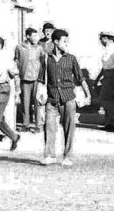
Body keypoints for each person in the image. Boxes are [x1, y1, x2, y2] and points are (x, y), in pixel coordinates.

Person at [36, 30, 89, 165]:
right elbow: (41, 78)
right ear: (56, 42)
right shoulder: (46, 58)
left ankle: (67, 156)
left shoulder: (71, 59)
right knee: (49, 127)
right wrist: (38, 93)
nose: (66, 44)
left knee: (69, 128)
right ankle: (49, 155)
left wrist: (88, 94)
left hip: (68, 99)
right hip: (51, 99)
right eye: (64, 41)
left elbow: (80, 77)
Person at [14, 27, 43, 133]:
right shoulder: (19, 47)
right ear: (28, 36)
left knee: (37, 102)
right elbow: (16, 61)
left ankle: (38, 125)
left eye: (37, 35)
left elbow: (43, 62)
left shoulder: (39, 48)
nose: (36, 38)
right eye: (34, 36)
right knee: (25, 102)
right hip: (24, 78)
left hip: (36, 79)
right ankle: (25, 124)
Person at [95, 32, 114, 133]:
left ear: (106, 38)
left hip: (113, 74)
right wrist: (99, 77)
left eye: (101, 39)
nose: (101, 42)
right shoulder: (107, 49)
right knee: (110, 99)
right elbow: (105, 65)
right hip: (107, 74)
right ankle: (110, 123)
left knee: (104, 98)